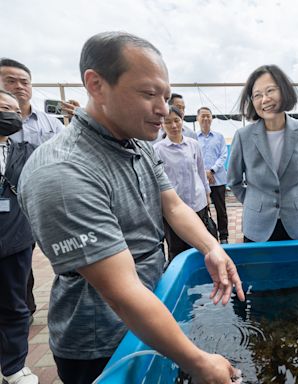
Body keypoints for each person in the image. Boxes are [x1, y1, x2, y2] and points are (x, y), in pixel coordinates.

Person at [17, 31, 244, 384]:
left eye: (166, 96)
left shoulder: (136, 144)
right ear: (96, 84)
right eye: (149, 93)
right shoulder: (62, 174)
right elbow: (122, 293)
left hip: (151, 317)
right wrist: (198, 362)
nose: (164, 109)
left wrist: (211, 247)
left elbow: (172, 204)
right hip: (101, 345)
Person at [0, 58, 66, 318]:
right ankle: (22, 310)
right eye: (10, 81)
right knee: (18, 265)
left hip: (47, 203)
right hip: (11, 208)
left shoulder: (52, 124)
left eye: (24, 82)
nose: (19, 86)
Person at [228, 64, 298, 242]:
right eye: (257, 95)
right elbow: (234, 180)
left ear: (284, 92)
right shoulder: (243, 136)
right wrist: (255, 201)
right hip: (258, 224)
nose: (264, 99)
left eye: (270, 91)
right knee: (259, 270)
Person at [0, 90, 38, 384]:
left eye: (14, 110)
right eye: (2, 107)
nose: (9, 114)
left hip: (15, 238)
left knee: (14, 303)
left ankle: (13, 366)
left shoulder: (24, 151)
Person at [153, 106, 211, 260]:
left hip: (197, 203)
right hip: (173, 209)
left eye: (177, 120)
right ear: (162, 125)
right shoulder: (157, 150)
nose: (173, 125)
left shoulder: (193, 144)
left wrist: (207, 194)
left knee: (200, 245)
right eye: (168, 122)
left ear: (182, 120)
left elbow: (200, 171)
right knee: (176, 248)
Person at [197, 106, 229, 244]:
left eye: (208, 116)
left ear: (212, 118)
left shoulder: (219, 137)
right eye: (202, 116)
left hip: (218, 179)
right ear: (198, 118)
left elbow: (223, 155)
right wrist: (204, 173)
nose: (205, 118)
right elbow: (193, 158)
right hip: (200, 181)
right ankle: (207, 238)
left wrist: (212, 170)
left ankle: (223, 237)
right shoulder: (193, 137)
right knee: (203, 210)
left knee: (221, 210)